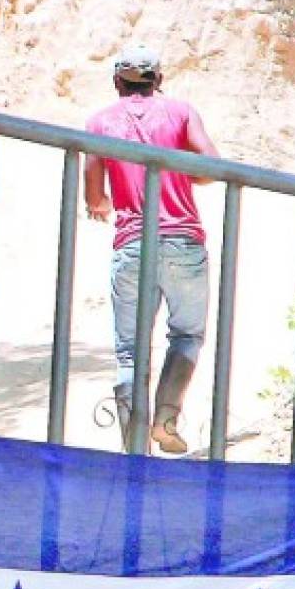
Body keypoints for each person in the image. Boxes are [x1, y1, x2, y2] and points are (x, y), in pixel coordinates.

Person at [84, 44, 220, 454]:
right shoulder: (180, 112)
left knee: (130, 354)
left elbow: (94, 195)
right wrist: (181, 173)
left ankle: (133, 453)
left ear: (116, 83)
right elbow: (211, 166)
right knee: (187, 334)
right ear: (159, 81)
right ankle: (166, 415)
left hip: (131, 245)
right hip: (183, 240)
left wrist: (103, 205)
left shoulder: (99, 122)